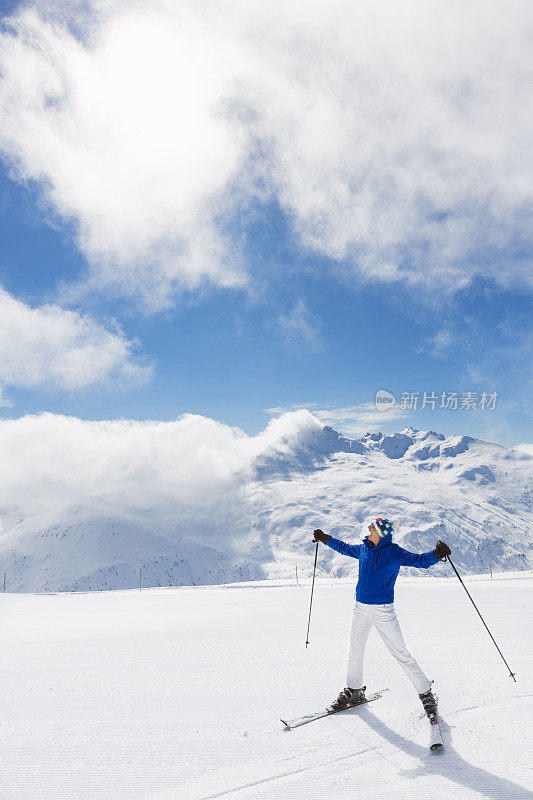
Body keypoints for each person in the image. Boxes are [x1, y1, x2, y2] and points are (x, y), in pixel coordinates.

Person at [312, 518, 451, 720]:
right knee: (355, 650)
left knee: (401, 653)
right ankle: (355, 690)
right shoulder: (364, 549)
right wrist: (325, 538)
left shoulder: (394, 552)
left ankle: (426, 694)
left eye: (372, 527)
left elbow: (419, 560)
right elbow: (343, 548)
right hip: (361, 608)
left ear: (380, 532)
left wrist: (436, 555)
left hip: (384, 611)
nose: (368, 528)